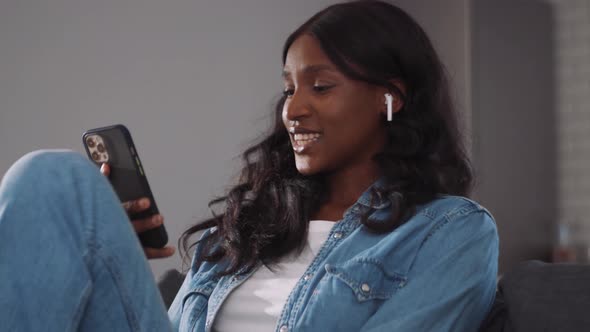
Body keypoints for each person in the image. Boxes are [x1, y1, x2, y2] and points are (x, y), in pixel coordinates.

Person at [0, 1, 498, 331]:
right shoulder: (248, 228)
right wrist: (110, 259)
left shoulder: (450, 232)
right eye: (288, 89)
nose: (293, 109)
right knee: (51, 178)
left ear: (390, 97)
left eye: (320, 87)